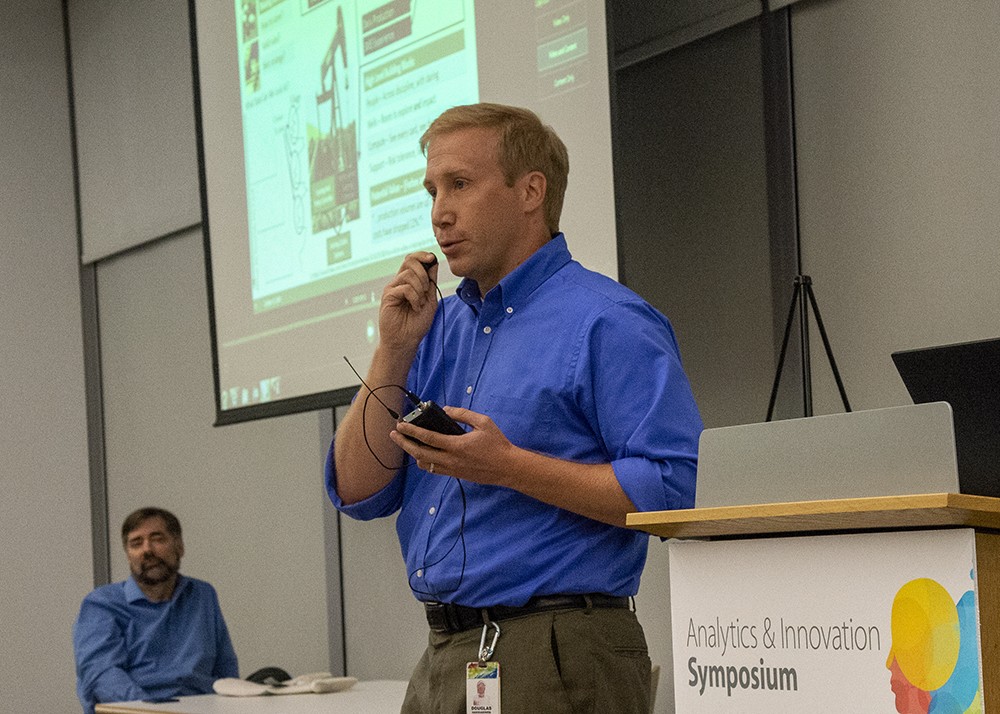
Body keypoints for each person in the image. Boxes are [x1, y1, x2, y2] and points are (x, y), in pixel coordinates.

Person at [327, 103, 702, 713]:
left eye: (460, 185)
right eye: (432, 191)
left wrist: (508, 466)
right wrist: (392, 352)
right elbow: (356, 489)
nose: (439, 213)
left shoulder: (608, 321)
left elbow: (679, 489)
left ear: (531, 192)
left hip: (559, 654)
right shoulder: (434, 328)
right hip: (444, 653)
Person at [73, 507, 239, 714]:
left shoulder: (202, 595)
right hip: (135, 710)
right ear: (128, 556)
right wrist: (153, 711)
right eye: (136, 543)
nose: (147, 550)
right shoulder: (102, 604)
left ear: (179, 547)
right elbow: (102, 675)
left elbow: (225, 669)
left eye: (157, 539)